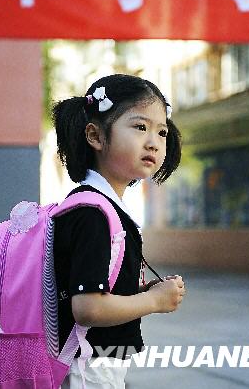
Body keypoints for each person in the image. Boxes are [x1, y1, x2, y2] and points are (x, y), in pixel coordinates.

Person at [52, 73, 186, 389]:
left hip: (95, 365)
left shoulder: (101, 208)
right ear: (96, 136)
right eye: (140, 127)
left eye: (162, 131)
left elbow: (91, 292)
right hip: (88, 369)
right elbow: (89, 308)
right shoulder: (92, 213)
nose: (153, 141)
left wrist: (136, 293)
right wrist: (154, 301)